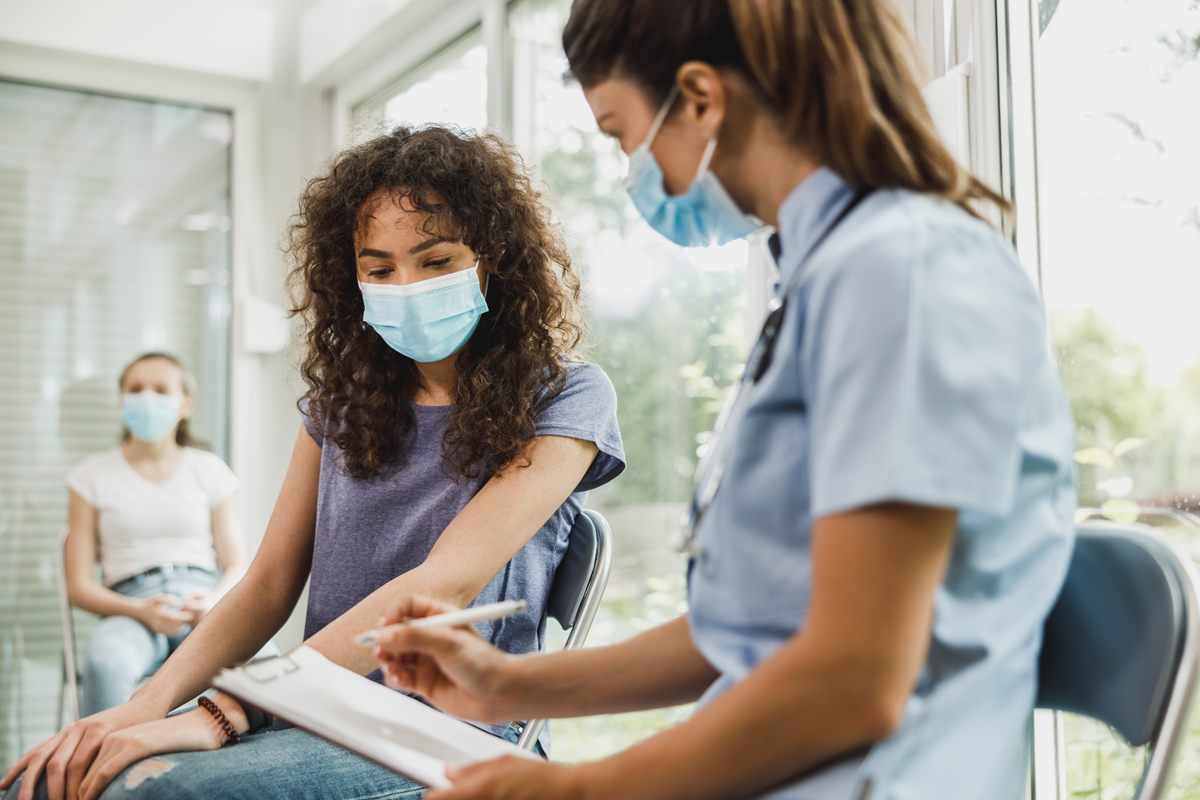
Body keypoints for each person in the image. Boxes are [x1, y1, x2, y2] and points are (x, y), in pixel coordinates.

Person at [367, 1, 1077, 799]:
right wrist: (504, 686)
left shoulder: (898, 275)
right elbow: (745, 630)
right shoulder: (821, 280)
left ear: (701, 97)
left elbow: (854, 680)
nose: (628, 164)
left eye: (618, 133)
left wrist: (571, 790)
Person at [1, 125, 624, 800]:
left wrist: (227, 709)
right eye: (380, 269)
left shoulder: (566, 396)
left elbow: (443, 584)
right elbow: (268, 583)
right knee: (53, 781)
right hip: (319, 706)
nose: (406, 285)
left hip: (455, 730)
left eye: (436, 260)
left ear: (493, 256)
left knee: (146, 791)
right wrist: (144, 704)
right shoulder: (343, 400)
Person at [63, 353, 273, 717]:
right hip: (129, 606)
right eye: (135, 389)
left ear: (186, 405)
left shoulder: (210, 470)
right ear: (120, 401)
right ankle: (102, 768)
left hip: (205, 598)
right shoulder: (89, 477)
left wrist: (214, 604)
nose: (146, 398)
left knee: (266, 664)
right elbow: (78, 586)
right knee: (105, 663)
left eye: (161, 389)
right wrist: (140, 610)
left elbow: (237, 564)